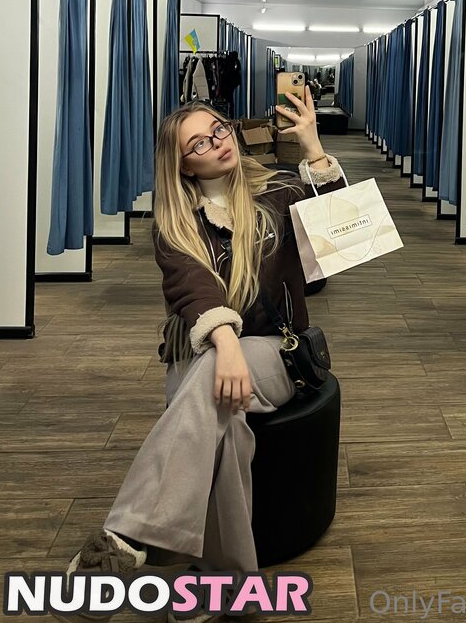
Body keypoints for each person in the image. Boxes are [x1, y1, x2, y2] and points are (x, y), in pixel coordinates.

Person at [62, 87, 345, 621]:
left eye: (219, 129)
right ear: (183, 166)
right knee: (226, 424)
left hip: (275, 350)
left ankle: (127, 535)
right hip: (202, 352)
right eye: (199, 143)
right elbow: (193, 289)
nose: (218, 142)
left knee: (212, 383)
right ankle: (227, 583)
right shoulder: (175, 222)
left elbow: (339, 247)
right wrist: (226, 343)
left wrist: (313, 150)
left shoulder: (280, 190)